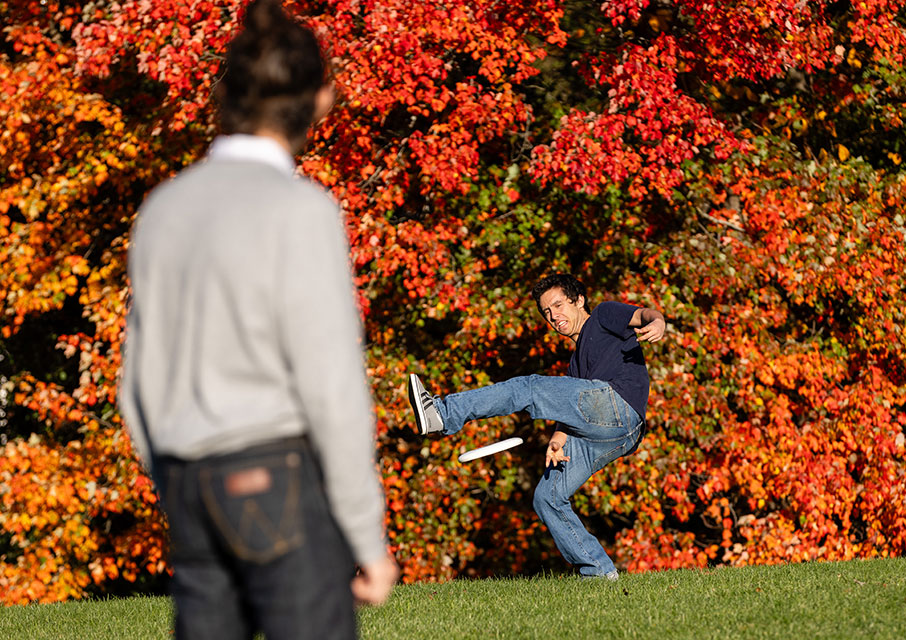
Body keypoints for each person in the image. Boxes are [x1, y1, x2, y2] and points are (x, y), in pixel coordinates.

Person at [120, 1, 397, 637]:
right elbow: (330, 385)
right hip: (275, 475)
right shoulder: (299, 210)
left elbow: (136, 380)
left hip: (186, 481)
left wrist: (173, 479)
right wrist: (366, 534)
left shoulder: (164, 208)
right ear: (320, 100)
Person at [409, 273, 665, 580]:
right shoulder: (575, 365)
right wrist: (558, 438)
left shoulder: (603, 315)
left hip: (618, 405)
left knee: (527, 388)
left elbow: (643, 315)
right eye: (547, 312)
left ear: (579, 300)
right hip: (619, 435)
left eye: (558, 305)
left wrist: (658, 321)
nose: (554, 316)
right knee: (548, 496)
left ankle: (442, 413)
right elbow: (574, 407)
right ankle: (598, 572)